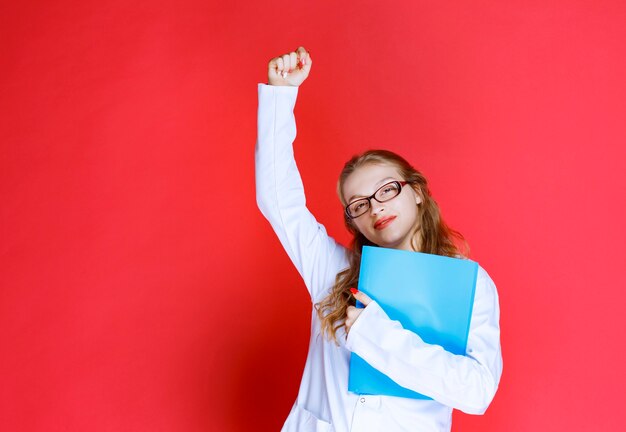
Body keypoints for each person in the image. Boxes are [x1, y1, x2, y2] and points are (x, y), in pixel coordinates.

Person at [255, 46, 502, 432]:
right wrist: (280, 96)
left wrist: (375, 334)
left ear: (417, 191)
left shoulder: (468, 283)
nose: (375, 208)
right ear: (354, 221)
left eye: (386, 190)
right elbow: (278, 199)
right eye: (358, 204)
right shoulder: (333, 271)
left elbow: (477, 391)